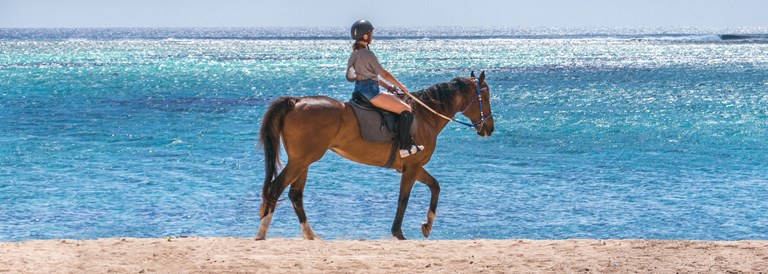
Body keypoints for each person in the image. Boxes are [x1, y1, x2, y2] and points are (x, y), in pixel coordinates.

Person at [346, 19, 423, 158]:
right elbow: (384, 74)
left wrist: (389, 87)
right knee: (406, 109)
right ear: (365, 36)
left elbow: (370, 77)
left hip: (359, 92)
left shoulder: (354, 55)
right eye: (371, 33)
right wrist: (401, 86)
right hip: (371, 94)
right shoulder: (368, 54)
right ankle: (404, 147)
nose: (372, 36)